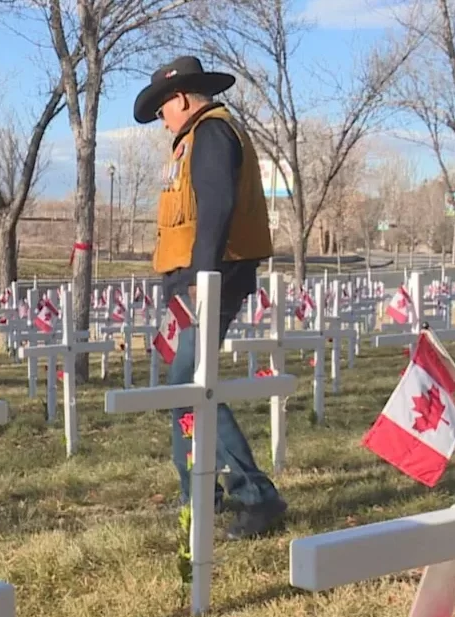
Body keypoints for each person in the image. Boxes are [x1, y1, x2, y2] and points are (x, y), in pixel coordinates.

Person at [133, 55, 287, 540]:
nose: (162, 121)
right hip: (192, 279)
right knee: (181, 388)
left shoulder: (214, 133)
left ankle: (256, 496)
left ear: (180, 99)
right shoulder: (194, 137)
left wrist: (202, 277)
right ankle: (198, 494)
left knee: (190, 387)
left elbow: (217, 205)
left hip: (212, 276)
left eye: (163, 111)